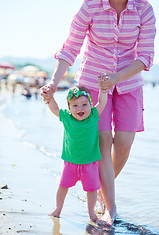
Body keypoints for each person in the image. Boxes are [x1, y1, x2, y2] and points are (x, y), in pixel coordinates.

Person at [41, 0, 156, 226]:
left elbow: (145, 56)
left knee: (123, 145)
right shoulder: (90, 5)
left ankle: (102, 189)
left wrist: (117, 77)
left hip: (129, 83)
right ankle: (110, 208)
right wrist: (54, 82)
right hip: (92, 84)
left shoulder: (144, 9)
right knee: (103, 142)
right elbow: (70, 47)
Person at [42, 84, 108, 222]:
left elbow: (102, 102)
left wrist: (103, 90)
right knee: (63, 186)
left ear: (90, 105)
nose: (80, 108)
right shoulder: (66, 117)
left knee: (91, 189)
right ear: (69, 107)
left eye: (84, 104)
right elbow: (55, 108)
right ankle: (58, 208)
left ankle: (91, 212)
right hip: (70, 162)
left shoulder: (94, 116)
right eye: (75, 106)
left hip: (90, 163)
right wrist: (50, 98)